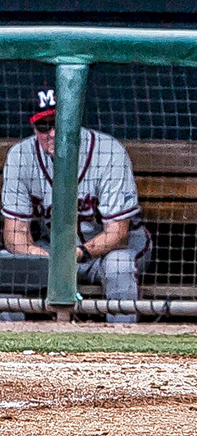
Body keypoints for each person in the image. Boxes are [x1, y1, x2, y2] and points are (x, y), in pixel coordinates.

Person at [2, 90, 149, 324]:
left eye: (57, 124)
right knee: (7, 265)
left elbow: (118, 234)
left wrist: (75, 255)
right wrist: (35, 255)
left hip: (111, 248)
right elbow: (14, 234)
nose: (51, 134)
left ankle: (123, 344)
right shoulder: (21, 156)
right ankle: (14, 349)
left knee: (118, 266)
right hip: (53, 249)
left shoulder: (108, 151)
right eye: (43, 126)